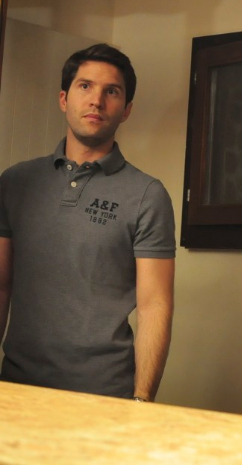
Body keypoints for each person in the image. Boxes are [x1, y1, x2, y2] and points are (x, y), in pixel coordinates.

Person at [0, 44, 175, 402]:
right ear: (64, 99)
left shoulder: (147, 194)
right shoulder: (16, 182)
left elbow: (154, 305)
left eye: (112, 91)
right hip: (16, 387)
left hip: (104, 394)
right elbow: (0, 285)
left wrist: (142, 400)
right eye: (85, 86)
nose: (97, 100)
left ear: (126, 110)